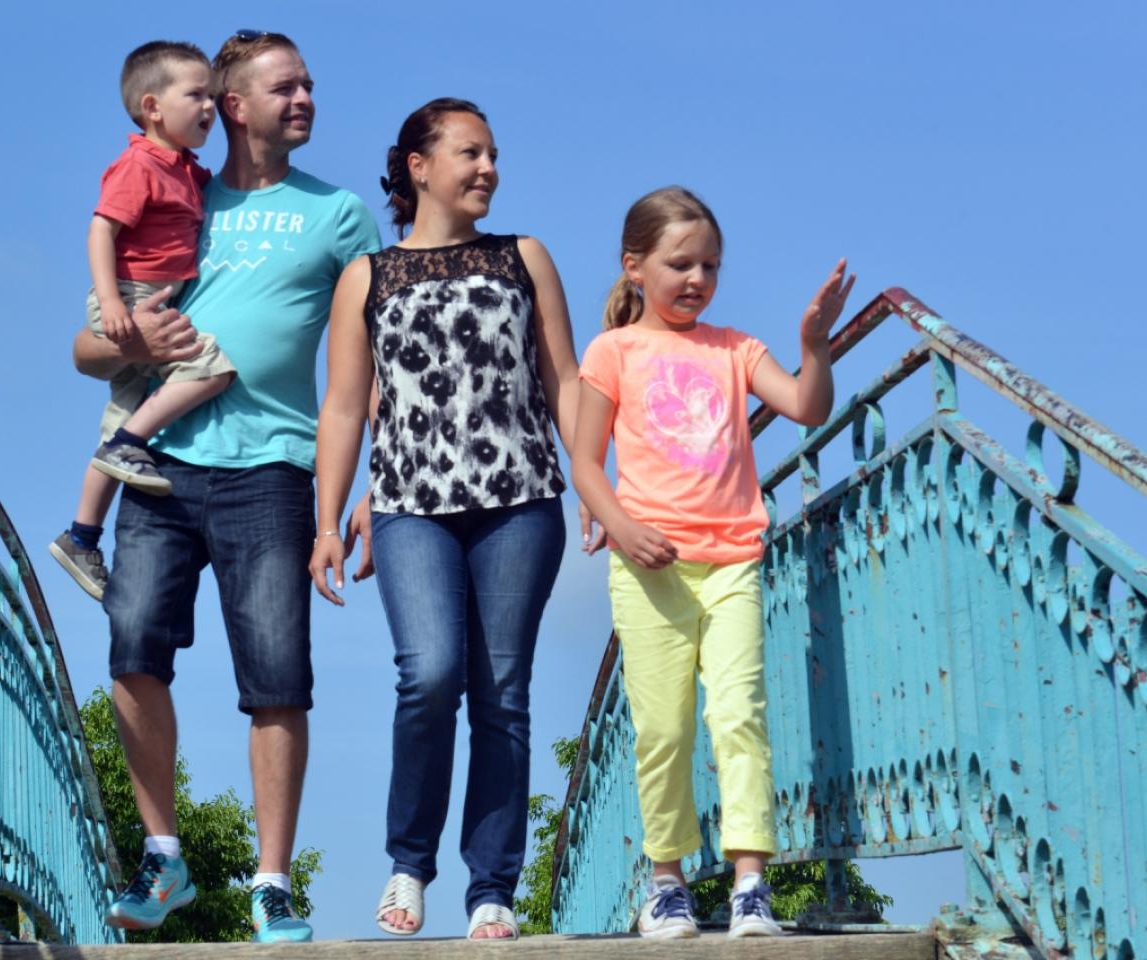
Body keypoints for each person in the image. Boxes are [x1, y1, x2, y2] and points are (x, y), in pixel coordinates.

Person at [71, 30, 381, 944]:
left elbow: (374, 372)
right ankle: (163, 857)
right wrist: (138, 342)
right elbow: (86, 346)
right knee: (132, 650)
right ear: (233, 105)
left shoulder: (341, 215)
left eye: (311, 86)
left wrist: (362, 492)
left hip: (276, 469)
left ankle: (271, 881)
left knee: (278, 679)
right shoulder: (170, 193)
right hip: (160, 467)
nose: (307, 99)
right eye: (286, 87)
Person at [310, 98, 587, 942]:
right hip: (408, 507)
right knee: (429, 675)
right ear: (418, 166)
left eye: (495, 154)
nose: (489, 169)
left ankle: (493, 887)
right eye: (471, 152)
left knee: (501, 693)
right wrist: (327, 520)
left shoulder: (523, 257)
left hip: (520, 503)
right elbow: (346, 409)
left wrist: (597, 487)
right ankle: (408, 861)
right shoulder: (368, 276)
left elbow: (566, 382)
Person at [568, 186, 854, 939]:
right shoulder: (613, 351)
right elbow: (586, 464)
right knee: (663, 730)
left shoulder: (735, 348)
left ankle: (750, 883)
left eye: (711, 266)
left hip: (732, 560)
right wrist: (622, 526)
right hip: (650, 567)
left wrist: (814, 344)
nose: (696, 279)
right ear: (635, 267)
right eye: (680, 264)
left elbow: (805, 406)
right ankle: (667, 882)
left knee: (739, 718)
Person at [48, 40, 238, 602]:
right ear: (153, 106)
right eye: (196, 95)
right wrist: (111, 303)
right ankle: (129, 444)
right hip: (133, 297)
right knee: (213, 370)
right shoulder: (140, 164)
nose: (210, 107)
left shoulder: (185, 169)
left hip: (149, 297)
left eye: (213, 96)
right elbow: (102, 229)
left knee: (123, 417)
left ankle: (81, 536)